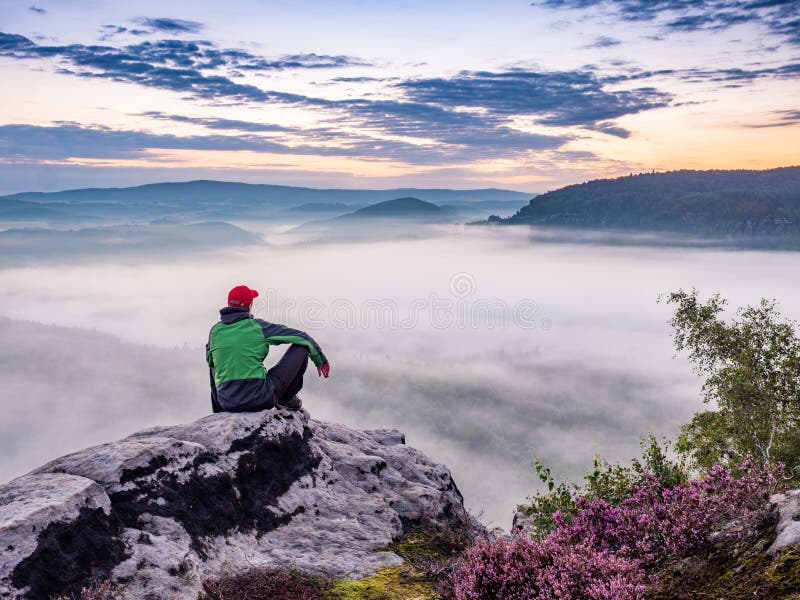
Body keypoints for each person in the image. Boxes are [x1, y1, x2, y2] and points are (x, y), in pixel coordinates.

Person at [206, 284, 330, 412]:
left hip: (227, 402)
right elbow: (302, 337)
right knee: (302, 346)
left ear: (228, 305)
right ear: (249, 306)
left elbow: (213, 370)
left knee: (214, 360)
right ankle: (286, 400)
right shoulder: (257, 327)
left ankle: (221, 408)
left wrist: (219, 411)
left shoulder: (214, 332)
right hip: (261, 398)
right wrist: (321, 361)